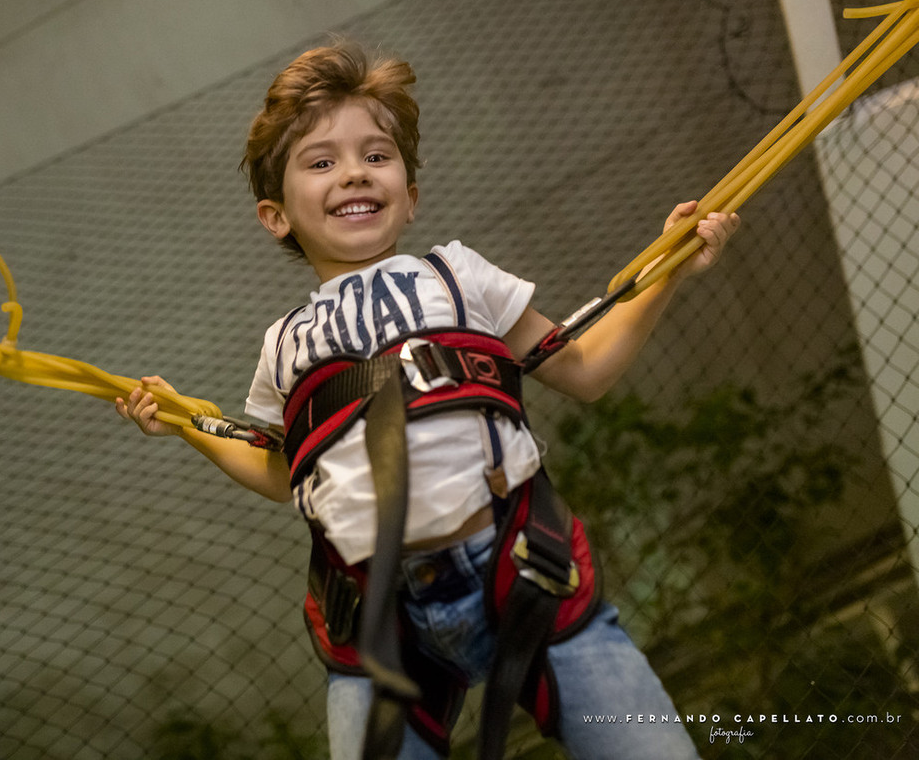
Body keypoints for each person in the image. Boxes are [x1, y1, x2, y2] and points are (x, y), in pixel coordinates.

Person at [115, 41, 739, 760]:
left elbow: (584, 365)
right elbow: (285, 470)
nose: (354, 172)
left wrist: (668, 267)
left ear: (410, 195)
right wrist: (188, 423)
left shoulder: (456, 276)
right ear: (275, 214)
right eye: (321, 162)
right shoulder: (283, 344)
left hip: (520, 569)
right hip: (379, 620)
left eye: (376, 155)